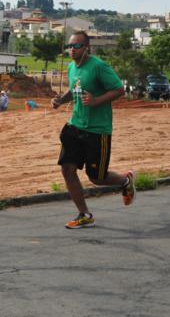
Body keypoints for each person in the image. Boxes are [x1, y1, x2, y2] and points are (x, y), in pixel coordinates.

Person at [51, 31, 135, 229]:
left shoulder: (98, 66)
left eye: (76, 46)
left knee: (97, 178)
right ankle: (84, 214)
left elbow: (118, 89)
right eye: (70, 46)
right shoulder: (72, 67)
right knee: (67, 169)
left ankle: (125, 181)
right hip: (75, 126)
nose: (72, 50)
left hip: (98, 130)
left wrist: (96, 101)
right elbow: (75, 89)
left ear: (86, 48)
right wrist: (61, 101)